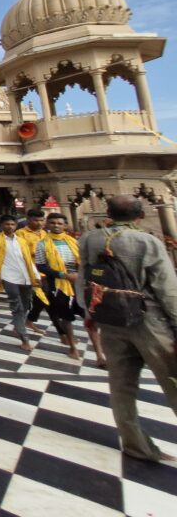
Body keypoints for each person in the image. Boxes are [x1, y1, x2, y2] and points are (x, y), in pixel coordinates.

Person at [79, 196, 177, 463]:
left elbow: (83, 279)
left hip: (110, 319)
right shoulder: (147, 242)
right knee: (172, 380)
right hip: (148, 319)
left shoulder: (90, 239)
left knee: (121, 385)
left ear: (107, 213)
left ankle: (136, 445)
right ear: (140, 216)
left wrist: (90, 314)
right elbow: (167, 290)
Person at [0, 214, 48, 352]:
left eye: (12, 224)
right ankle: (24, 338)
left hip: (25, 276)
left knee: (26, 303)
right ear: (1, 225)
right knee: (16, 305)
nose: (10, 227)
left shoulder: (21, 241)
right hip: (8, 277)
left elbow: (28, 260)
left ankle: (18, 324)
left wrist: (36, 276)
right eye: (7, 224)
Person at [34, 212, 87, 360]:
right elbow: (41, 266)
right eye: (53, 223)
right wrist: (63, 275)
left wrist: (79, 274)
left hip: (78, 282)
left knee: (87, 314)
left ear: (65, 225)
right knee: (65, 315)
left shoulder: (74, 242)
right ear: (47, 225)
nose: (56, 226)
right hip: (57, 284)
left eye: (59, 223)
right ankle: (72, 346)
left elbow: (83, 261)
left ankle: (99, 351)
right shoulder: (43, 244)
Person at [17, 208, 50, 335]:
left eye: (41, 220)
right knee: (24, 300)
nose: (39, 223)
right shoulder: (21, 233)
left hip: (43, 271)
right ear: (28, 220)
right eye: (36, 220)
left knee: (44, 297)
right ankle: (20, 325)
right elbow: (20, 252)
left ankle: (29, 320)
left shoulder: (44, 233)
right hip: (27, 271)